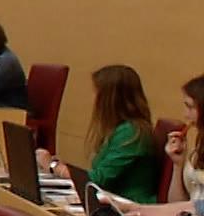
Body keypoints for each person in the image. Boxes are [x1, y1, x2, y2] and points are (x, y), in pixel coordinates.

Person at [37, 64, 160, 204]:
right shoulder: (119, 129)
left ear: (109, 99)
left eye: (97, 93)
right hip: (111, 200)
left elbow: (96, 180)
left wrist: (53, 166)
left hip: (131, 207)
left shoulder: (132, 133)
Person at [120, 74, 204, 216]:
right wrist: (177, 165)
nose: (185, 115)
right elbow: (185, 204)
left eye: (190, 107)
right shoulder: (198, 147)